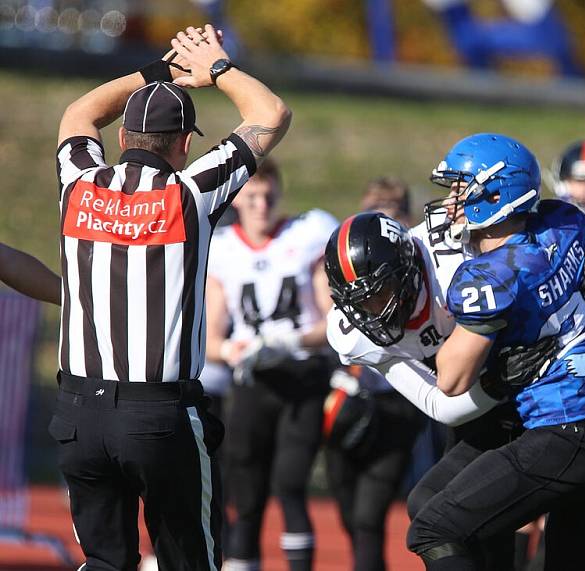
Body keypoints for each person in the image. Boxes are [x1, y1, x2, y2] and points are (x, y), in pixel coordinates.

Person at [51, 24, 290, 570]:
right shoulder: (189, 191)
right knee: (190, 560)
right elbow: (270, 113)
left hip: (78, 412)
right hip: (157, 414)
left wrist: (155, 72)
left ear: (121, 138)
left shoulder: (79, 183)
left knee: (105, 563)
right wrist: (217, 69)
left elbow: (78, 114)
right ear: (184, 144)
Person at [404, 133, 585, 571]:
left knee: (434, 528)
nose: (451, 201)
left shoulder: (490, 276)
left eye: (460, 188)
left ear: (494, 194)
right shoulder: (564, 221)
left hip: (565, 430)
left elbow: (451, 380)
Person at [204, 158, 337, 571]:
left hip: (302, 376)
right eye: (253, 196)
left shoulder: (305, 236)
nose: (261, 204)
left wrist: (291, 340)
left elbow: (333, 322)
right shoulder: (223, 250)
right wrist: (232, 352)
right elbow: (209, 338)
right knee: (245, 495)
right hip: (253, 381)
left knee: (291, 484)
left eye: (269, 195)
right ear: (237, 199)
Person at [323, 177, 429, 571]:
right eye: (374, 207)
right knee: (348, 510)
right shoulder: (347, 264)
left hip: (400, 403)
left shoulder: (421, 271)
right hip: (352, 395)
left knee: (370, 515)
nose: (383, 214)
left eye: (392, 209)